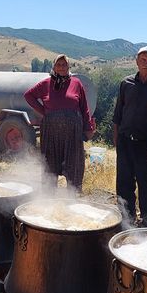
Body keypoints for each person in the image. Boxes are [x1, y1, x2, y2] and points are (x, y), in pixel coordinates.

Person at [112, 46, 147, 226]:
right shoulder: (126, 83)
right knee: (124, 183)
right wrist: (117, 141)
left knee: (146, 183)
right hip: (125, 141)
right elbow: (118, 114)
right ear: (136, 61)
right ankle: (126, 218)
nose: (146, 63)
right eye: (143, 60)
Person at [24, 54, 95, 191]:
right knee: (50, 164)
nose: (61, 67)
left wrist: (88, 127)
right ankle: (48, 198)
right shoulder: (46, 83)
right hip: (51, 131)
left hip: (72, 132)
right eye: (58, 64)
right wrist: (44, 111)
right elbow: (29, 95)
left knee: (73, 163)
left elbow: (84, 108)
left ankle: (72, 197)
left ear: (68, 66)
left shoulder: (76, 83)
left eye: (64, 64)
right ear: (54, 66)